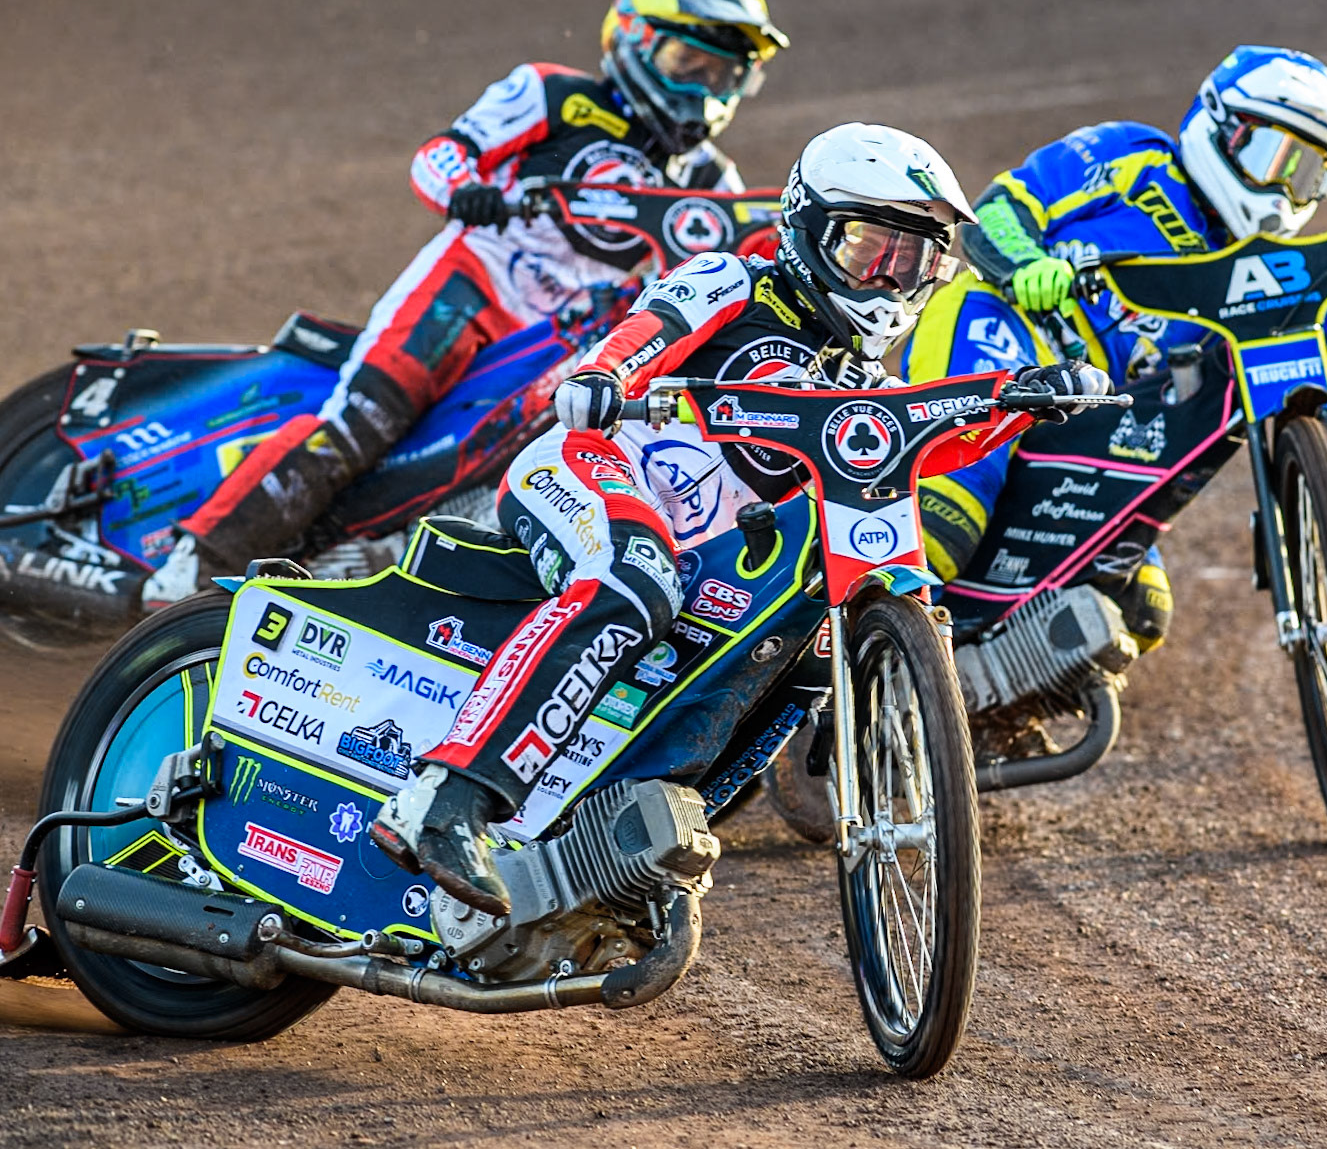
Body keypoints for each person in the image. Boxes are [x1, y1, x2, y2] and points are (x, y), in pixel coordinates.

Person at [367, 122, 1107, 914]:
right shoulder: (735, 280)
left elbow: (925, 452)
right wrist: (604, 376)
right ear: (808, 227)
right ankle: (445, 798)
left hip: (699, 552)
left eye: (912, 259)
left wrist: (1019, 403)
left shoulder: (861, 374)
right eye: (869, 249)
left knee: (803, 648)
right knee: (634, 575)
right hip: (589, 465)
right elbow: (647, 331)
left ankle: (610, 853)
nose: (887, 279)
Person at [141, 0, 788, 606]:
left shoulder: (710, 185)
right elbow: (441, 155)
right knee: (361, 420)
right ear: (632, 38)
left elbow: (723, 276)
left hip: (561, 345)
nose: (702, 91)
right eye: (688, 64)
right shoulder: (553, 95)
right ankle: (191, 568)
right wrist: (467, 189)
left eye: (724, 75)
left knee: (525, 475)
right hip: (470, 289)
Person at [905, 44, 1327, 650]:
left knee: (1136, 611)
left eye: (1308, 174)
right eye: (1275, 156)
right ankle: (832, 659)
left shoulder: (1262, 268)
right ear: (1222, 124)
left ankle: (972, 717)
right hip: (1001, 335)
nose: (1286, 190)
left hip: (1094, 413)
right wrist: (1025, 265)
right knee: (944, 525)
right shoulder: (1127, 153)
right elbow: (1000, 208)